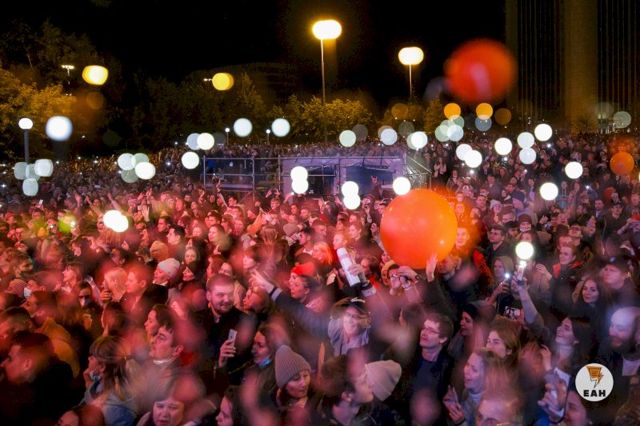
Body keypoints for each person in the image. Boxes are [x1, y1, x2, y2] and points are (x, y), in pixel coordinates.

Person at [81, 336, 136, 426]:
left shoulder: (116, 410)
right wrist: (87, 380)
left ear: (102, 367)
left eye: (93, 357)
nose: (89, 358)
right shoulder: (100, 382)